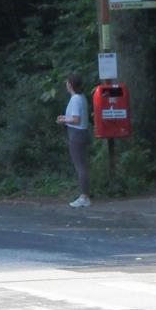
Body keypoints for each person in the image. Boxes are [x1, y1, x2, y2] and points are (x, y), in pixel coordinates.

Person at [56, 73, 91, 208]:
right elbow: (76, 117)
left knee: (80, 166)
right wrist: (65, 118)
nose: (66, 84)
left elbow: (76, 120)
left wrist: (64, 120)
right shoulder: (80, 97)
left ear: (70, 85)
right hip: (80, 133)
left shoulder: (76, 99)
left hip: (77, 134)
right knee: (82, 165)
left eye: (67, 82)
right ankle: (84, 195)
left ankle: (84, 197)